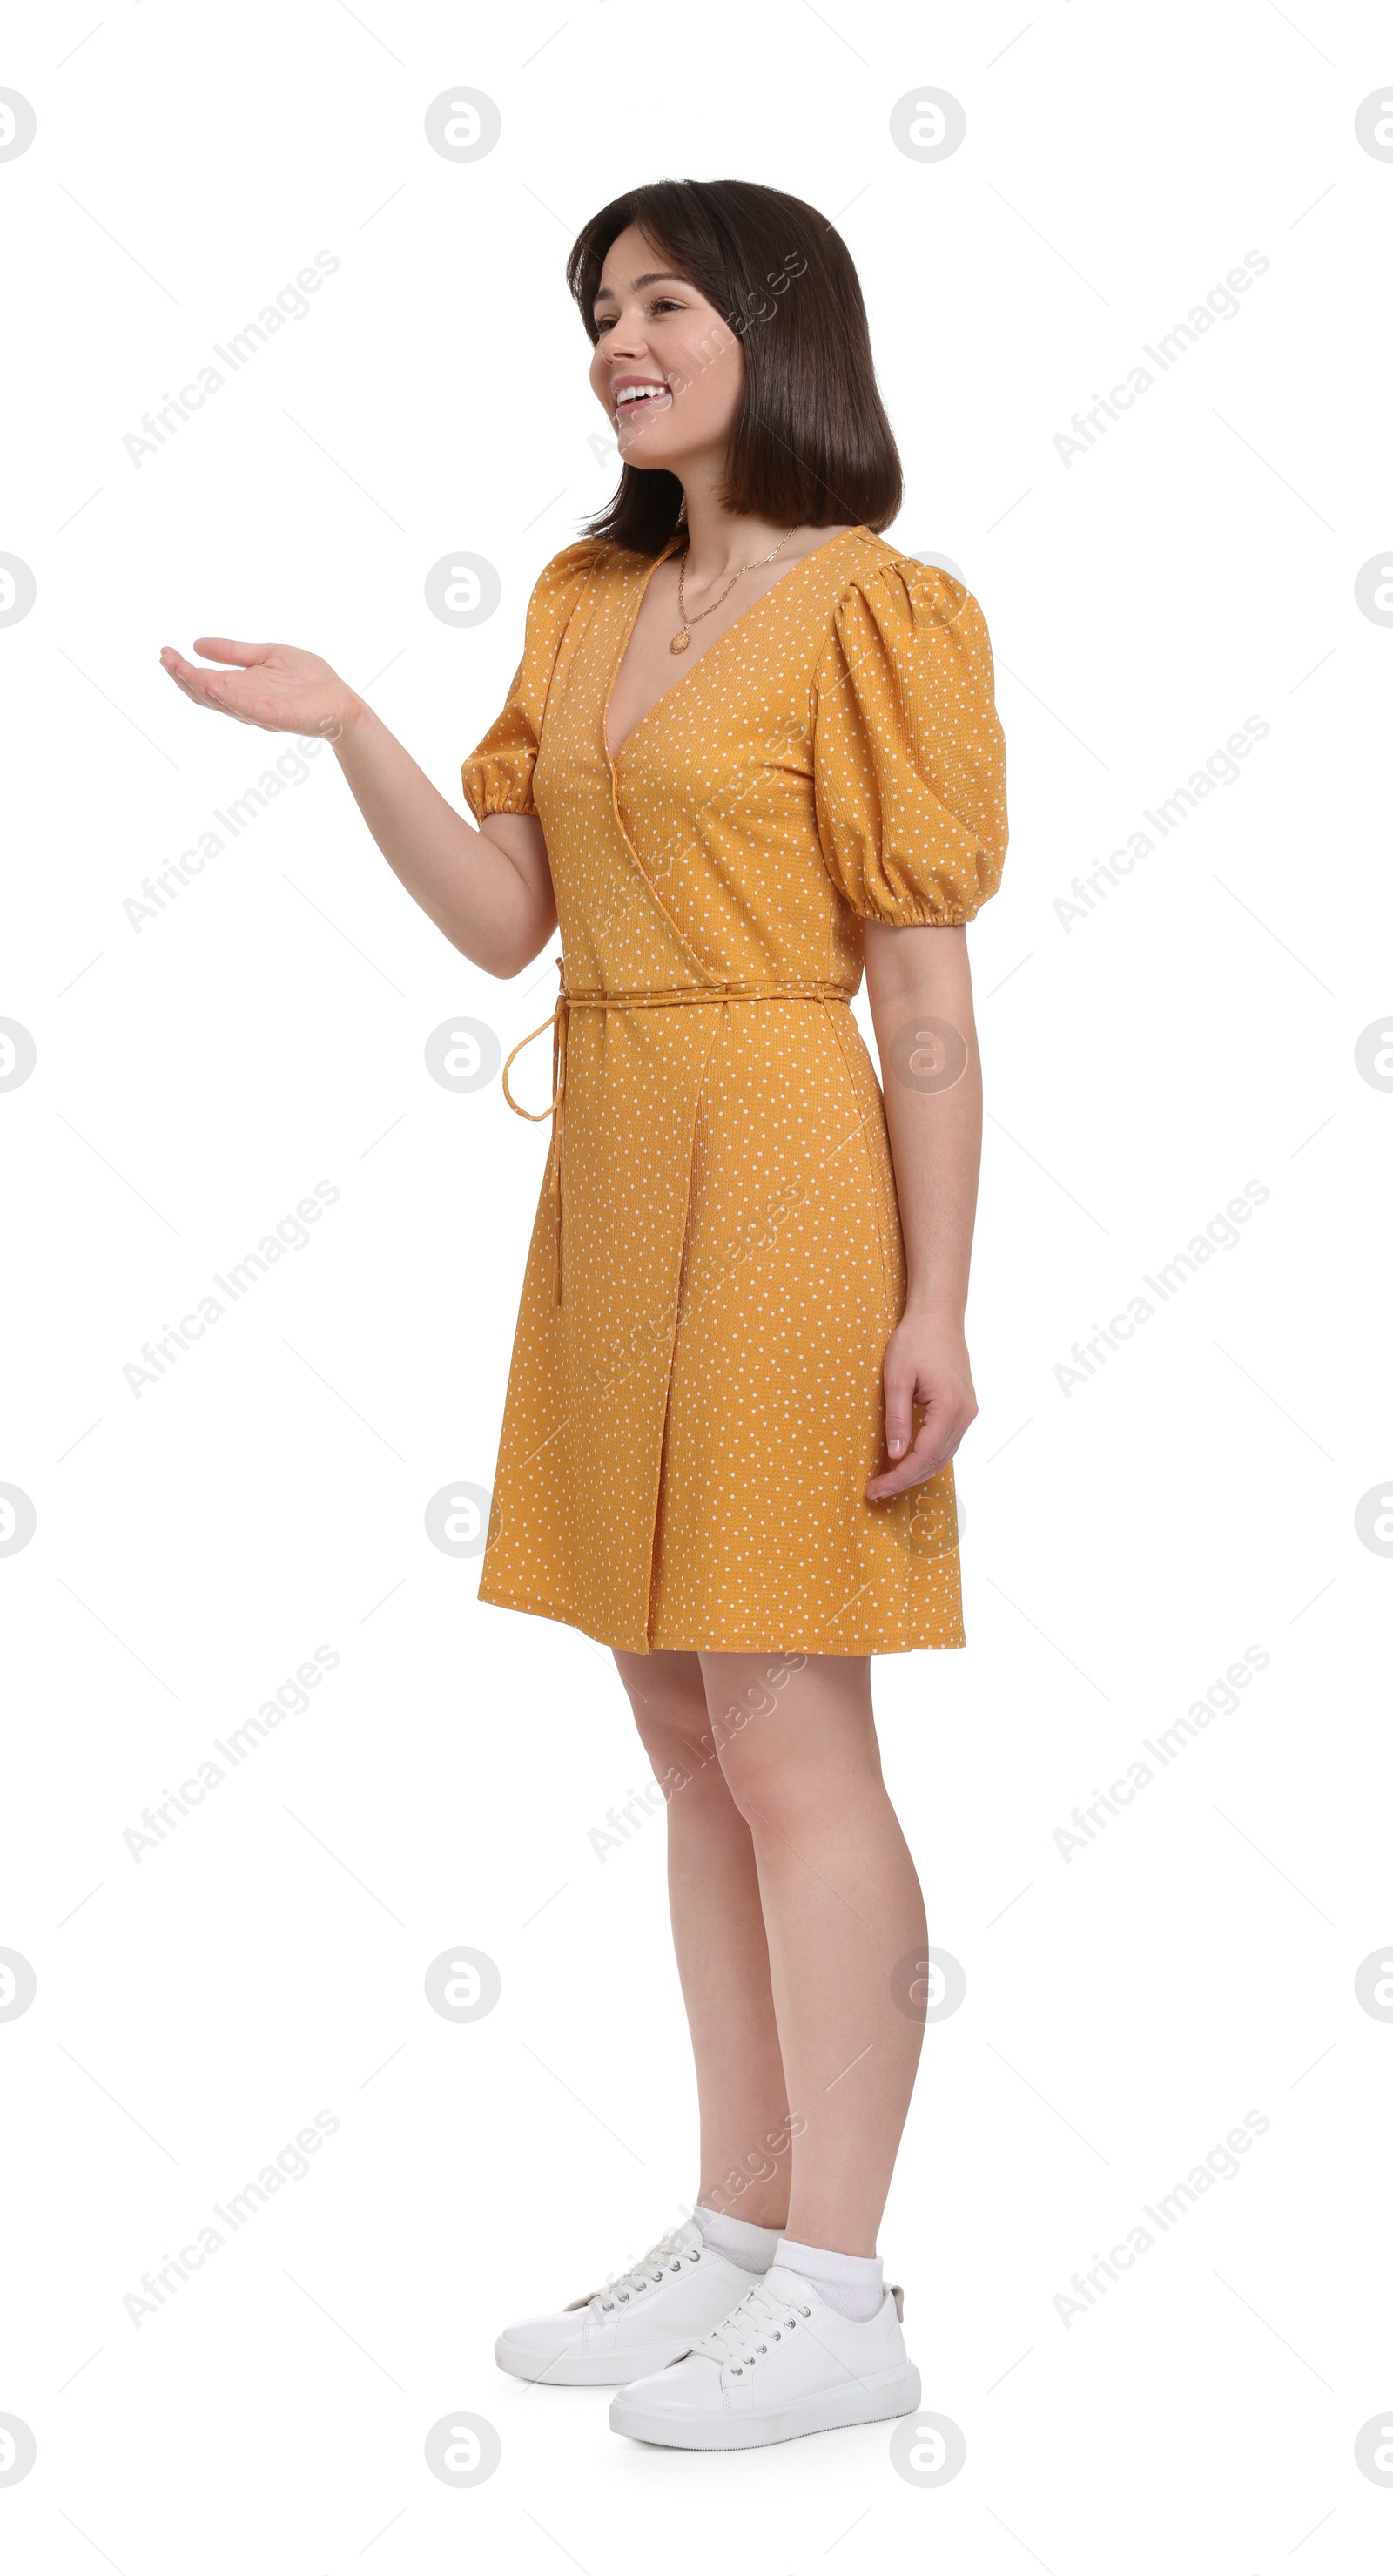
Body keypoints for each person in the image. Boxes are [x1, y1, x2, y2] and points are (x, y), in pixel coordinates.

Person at [159, 176, 1008, 2452]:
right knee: (678, 1729)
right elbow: (501, 922)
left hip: (789, 1159)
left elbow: (919, 982)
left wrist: (938, 1291)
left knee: (795, 1730)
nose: (618, 339)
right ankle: (745, 2232)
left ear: (776, 327)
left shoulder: (880, 611)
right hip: (614, 1166)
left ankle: (845, 2287)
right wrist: (348, 720)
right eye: (596, 310)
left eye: (661, 301)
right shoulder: (581, 597)